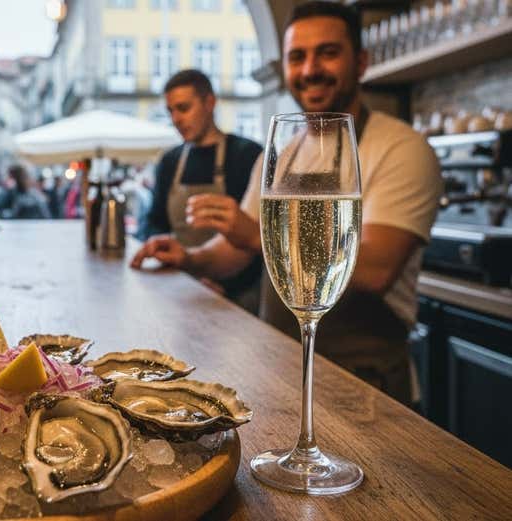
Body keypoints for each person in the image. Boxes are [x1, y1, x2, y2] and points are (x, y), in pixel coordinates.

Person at [131, 1, 442, 405]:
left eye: (327, 53)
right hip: (278, 368)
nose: (310, 69)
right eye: (297, 57)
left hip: (365, 382)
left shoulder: (401, 149)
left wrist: (257, 232)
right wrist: (189, 257)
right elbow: (232, 251)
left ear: (361, 62)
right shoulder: (281, 152)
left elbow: (376, 268)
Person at [143, 68, 264, 311]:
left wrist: (225, 286)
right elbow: (155, 222)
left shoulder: (247, 154)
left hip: (237, 294)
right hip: (181, 284)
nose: (176, 118)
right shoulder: (170, 161)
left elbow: (254, 240)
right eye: (171, 111)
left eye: (184, 108)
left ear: (210, 103)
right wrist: (161, 249)